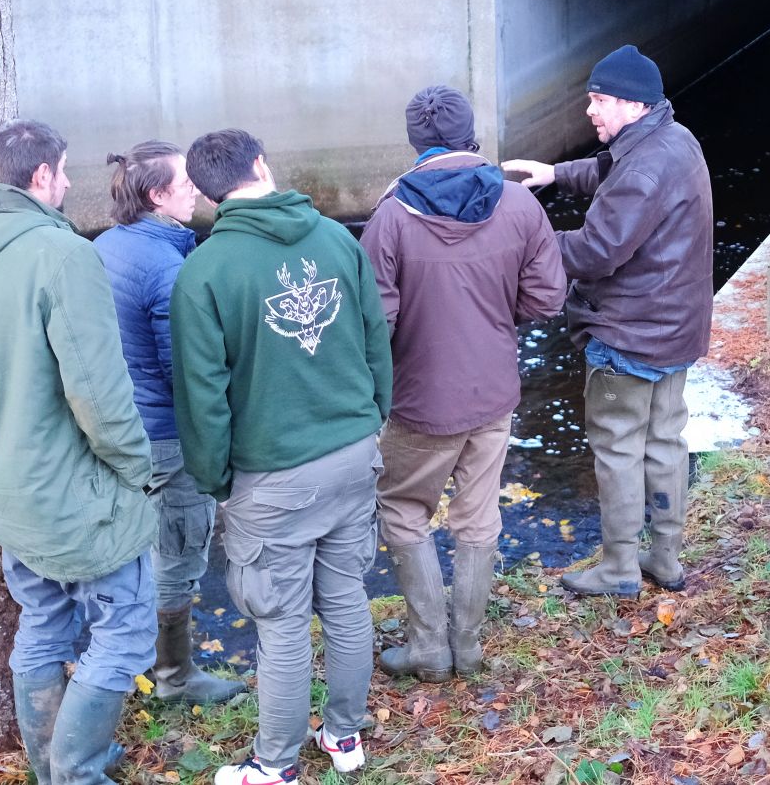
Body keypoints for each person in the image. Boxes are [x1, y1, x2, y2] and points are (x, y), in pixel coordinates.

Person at [0, 120, 157, 785]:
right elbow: (97, 390)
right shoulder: (60, 254)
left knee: (44, 618)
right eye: (62, 172)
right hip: (72, 495)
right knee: (123, 631)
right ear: (39, 179)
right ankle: (75, 774)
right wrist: (136, 472)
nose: (67, 182)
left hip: (1, 490)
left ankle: (52, 765)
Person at [169, 130, 394, 785]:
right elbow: (375, 338)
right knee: (347, 596)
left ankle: (274, 767)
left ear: (210, 195)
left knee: (284, 623)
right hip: (353, 452)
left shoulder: (204, 273)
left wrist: (217, 481)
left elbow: (203, 399)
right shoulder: (335, 239)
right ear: (262, 165)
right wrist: (373, 416)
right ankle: (345, 736)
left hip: (273, 475)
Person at [359, 86, 565, 681]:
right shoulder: (521, 206)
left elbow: (377, 321)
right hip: (493, 393)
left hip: (419, 401)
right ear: (471, 134)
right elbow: (548, 296)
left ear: (415, 142)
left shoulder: (391, 216)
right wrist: (499, 320)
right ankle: (468, 645)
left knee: (403, 511)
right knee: (478, 516)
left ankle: (428, 647)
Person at [503, 45, 714, 598]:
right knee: (665, 439)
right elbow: (610, 173)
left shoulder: (642, 168)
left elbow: (595, 251)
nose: (589, 111)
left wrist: (519, 243)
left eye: (599, 100)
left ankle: (620, 567)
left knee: (617, 448)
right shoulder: (674, 139)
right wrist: (554, 174)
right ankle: (665, 558)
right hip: (674, 330)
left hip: (630, 335)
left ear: (633, 103)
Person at [91, 141, 246, 707]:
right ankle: (174, 677)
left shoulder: (104, 247)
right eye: (186, 184)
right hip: (163, 439)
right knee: (178, 553)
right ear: (157, 196)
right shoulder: (168, 267)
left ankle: (118, 665)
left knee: (125, 555)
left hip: (112, 433)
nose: (198, 191)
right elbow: (185, 373)